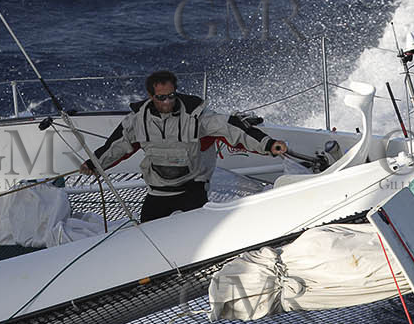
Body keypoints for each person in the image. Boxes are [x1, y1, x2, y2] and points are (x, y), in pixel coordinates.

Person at [75, 69, 288, 222]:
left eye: (171, 96)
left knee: (198, 237)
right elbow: (117, 146)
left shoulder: (196, 116)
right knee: (148, 240)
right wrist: (93, 164)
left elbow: (231, 129)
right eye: (161, 98)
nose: (167, 102)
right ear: (151, 96)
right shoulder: (136, 121)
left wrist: (267, 144)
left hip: (192, 188)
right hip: (158, 192)